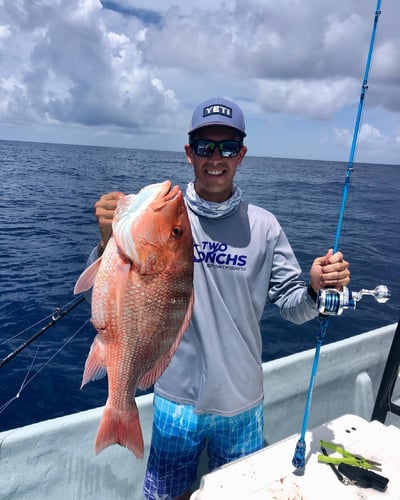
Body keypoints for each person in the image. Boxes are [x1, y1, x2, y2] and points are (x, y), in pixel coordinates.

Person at [90, 97, 350, 500]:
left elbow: (293, 306)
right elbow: (116, 286)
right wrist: (107, 238)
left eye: (227, 147)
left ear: (241, 155)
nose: (216, 157)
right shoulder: (163, 215)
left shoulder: (264, 226)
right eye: (204, 146)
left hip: (241, 403)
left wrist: (316, 289)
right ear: (189, 152)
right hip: (175, 400)